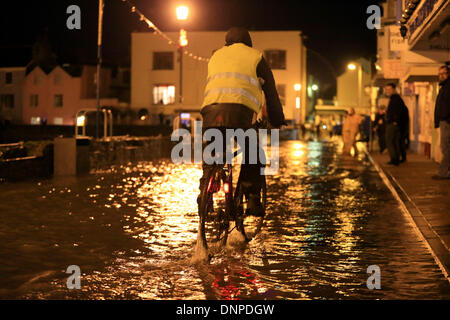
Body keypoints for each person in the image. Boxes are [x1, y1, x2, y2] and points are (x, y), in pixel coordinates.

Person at [199, 27, 286, 215]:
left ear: (226, 41)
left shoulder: (216, 56)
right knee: (253, 152)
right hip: (240, 113)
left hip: (210, 112)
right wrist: (277, 120)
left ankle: (206, 192)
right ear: (248, 42)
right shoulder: (256, 57)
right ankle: (252, 198)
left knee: (213, 152)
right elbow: (270, 92)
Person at [432, 65, 450, 180]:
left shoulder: (448, 86)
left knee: (446, 147)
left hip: (447, 120)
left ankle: (443, 172)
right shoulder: (444, 87)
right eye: (440, 74)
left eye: (443, 73)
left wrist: (445, 117)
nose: (441, 76)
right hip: (444, 120)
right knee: (445, 147)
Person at [385, 83, 405, 166]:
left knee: (390, 141)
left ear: (393, 89)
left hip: (393, 123)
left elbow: (398, 111)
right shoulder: (395, 98)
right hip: (394, 123)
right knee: (394, 141)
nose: (388, 91)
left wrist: (395, 121)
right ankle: (395, 159)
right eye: (387, 89)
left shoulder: (396, 99)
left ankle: (394, 159)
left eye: (389, 89)